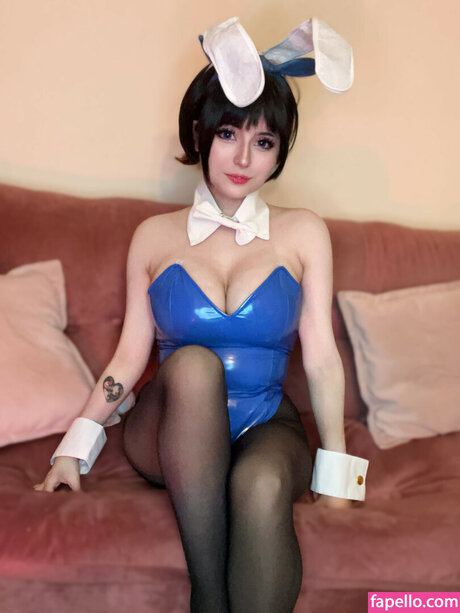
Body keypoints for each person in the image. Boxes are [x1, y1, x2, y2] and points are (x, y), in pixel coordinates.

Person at [34, 17, 369, 613]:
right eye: (229, 133)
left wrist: (340, 477)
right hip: (171, 431)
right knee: (192, 365)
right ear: (200, 131)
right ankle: (208, 596)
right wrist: (72, 448)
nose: (243, 157)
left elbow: (320, 357)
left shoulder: (304, 232)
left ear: (279, 153)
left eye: (263, 142)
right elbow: (129, 356)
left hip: (265, 423)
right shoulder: (152, 236)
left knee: (262, 484)